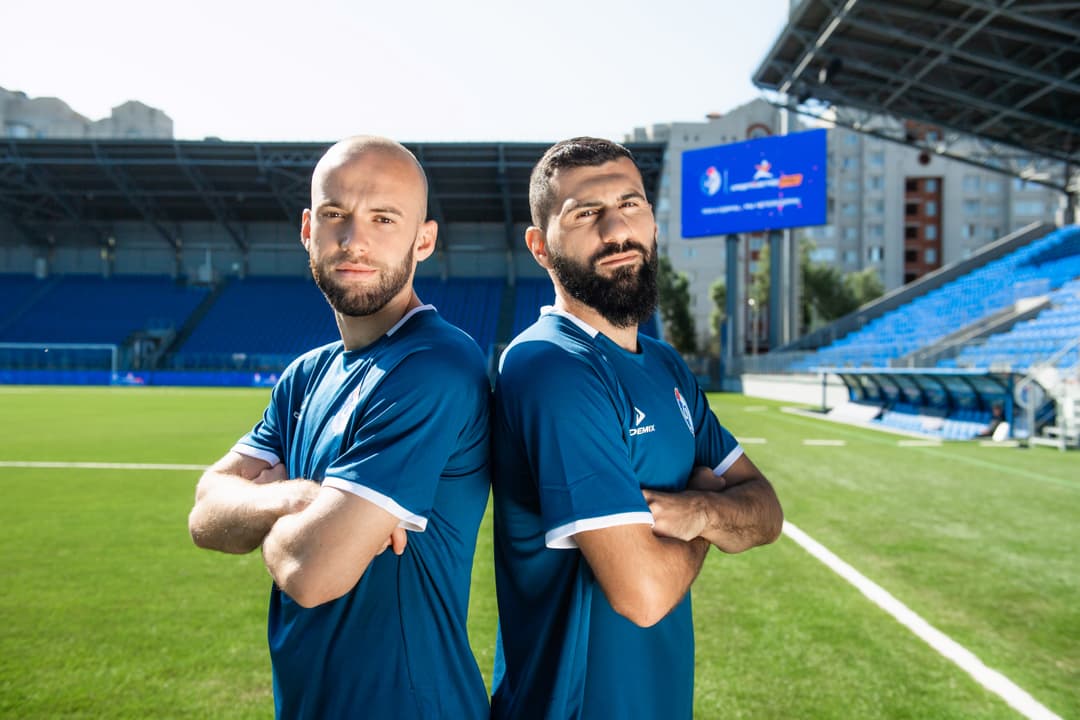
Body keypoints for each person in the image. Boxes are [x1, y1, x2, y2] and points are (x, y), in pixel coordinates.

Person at [187, 136, 490, 719]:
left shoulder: (435, 365)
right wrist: (297, 498)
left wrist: (263, 511)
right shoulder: (306, 375)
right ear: (308, 229)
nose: (354, 240)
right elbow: (204, 515)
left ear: (423, 240)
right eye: (335, 215)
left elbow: (311, 572)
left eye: (383, 218)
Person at [490, 137, 784, 719]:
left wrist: (698, 511)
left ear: (652, 221)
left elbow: (768, 513)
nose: (616, 230)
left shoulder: (665, 364)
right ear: (540, 247)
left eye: (630, 204)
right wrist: (710, 513)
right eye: (585, 213)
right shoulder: (550, 365)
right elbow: (643, 595)